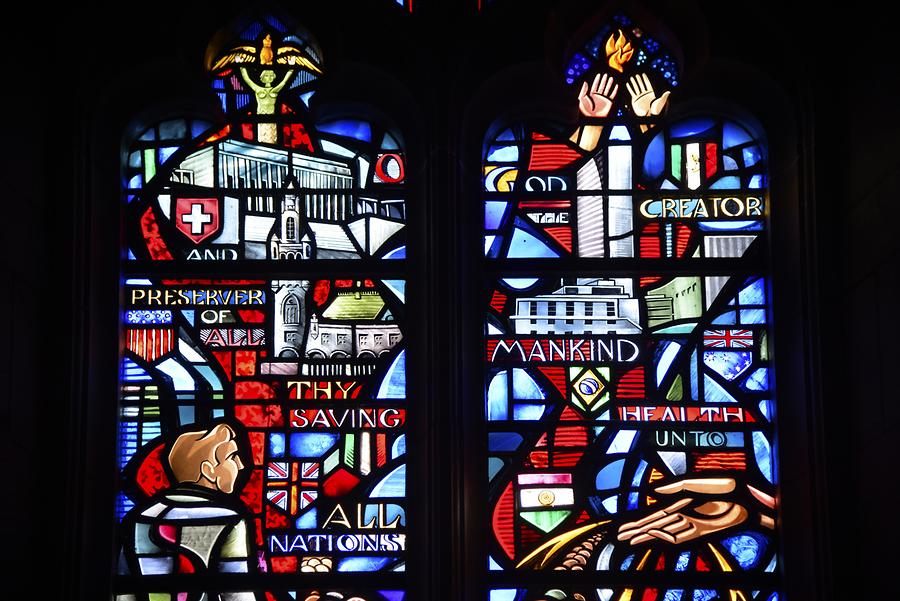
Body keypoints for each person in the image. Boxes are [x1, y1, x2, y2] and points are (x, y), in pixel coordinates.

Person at [121, 423, 258, 600]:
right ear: (208, 470)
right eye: (232, 457)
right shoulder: (230, 520)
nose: (240, 465)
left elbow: (126, 591)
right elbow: (238, 593)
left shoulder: (141, 518)